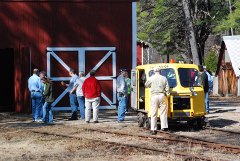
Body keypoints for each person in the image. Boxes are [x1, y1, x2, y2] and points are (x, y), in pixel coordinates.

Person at [145, 67, 170, 135]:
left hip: (154, 96)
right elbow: (167, 88)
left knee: (153, 113)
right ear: (160, 71)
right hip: (162, 95)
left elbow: (146, 85)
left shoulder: (151, 78)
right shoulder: (164, 78)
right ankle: (164, 127)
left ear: (154, 71)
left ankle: (153, 129)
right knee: (163, 112)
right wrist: (167, 95)